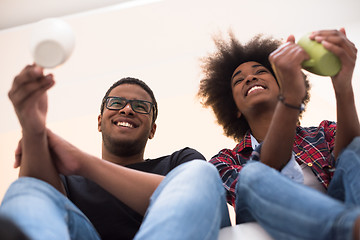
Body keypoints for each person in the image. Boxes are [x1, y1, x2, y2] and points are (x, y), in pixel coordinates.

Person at [0, 64, 231, 240]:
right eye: (116, 103)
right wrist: (32, 128)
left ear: (152, 130)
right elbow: (36, 191)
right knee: (27, 188)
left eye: (141, 107)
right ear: (100, 122)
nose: (128, 109)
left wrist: (83, 162)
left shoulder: (179, 162)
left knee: (202, 173)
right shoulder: (70, 182)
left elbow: (195, 195)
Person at [198, 28, 360, 239]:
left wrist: (343, 85)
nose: (250, 78)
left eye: (261, 71)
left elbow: (352, 162)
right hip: (277, 226)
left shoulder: (323, 132)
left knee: (355, 147)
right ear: (234, 108)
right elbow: (264, 177)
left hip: (342, 205)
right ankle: (349, 228)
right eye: (239, 80)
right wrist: (291, 98)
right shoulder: (224, 160)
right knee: (252, 173)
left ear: (281, 84)